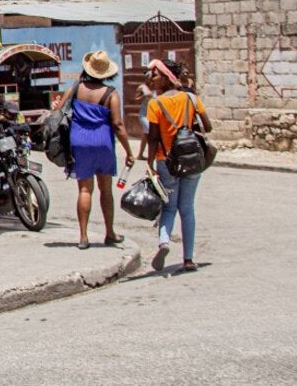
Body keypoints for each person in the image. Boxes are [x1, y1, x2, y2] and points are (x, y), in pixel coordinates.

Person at [145, 59, 212, 274]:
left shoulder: (155, 104)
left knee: (169, 207)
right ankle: (189, 259)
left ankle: (164, 242)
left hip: (167, 161)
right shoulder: (191, 98)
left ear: (166, 77)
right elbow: (208, 126)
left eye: (155, 75)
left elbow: (153, 137)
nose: (151, 79)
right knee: (188, 208)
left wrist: (149, 163)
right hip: (192, 160)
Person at [67, 51, 134, 250]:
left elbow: (59, 110)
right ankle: (110, 233)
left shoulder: (76, 89)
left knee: (84, 189)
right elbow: (118, 124)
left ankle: (83, 236)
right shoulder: (111, 94)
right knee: (106, 190)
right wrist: (129, 152)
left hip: (79, 142)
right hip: (103, 142)